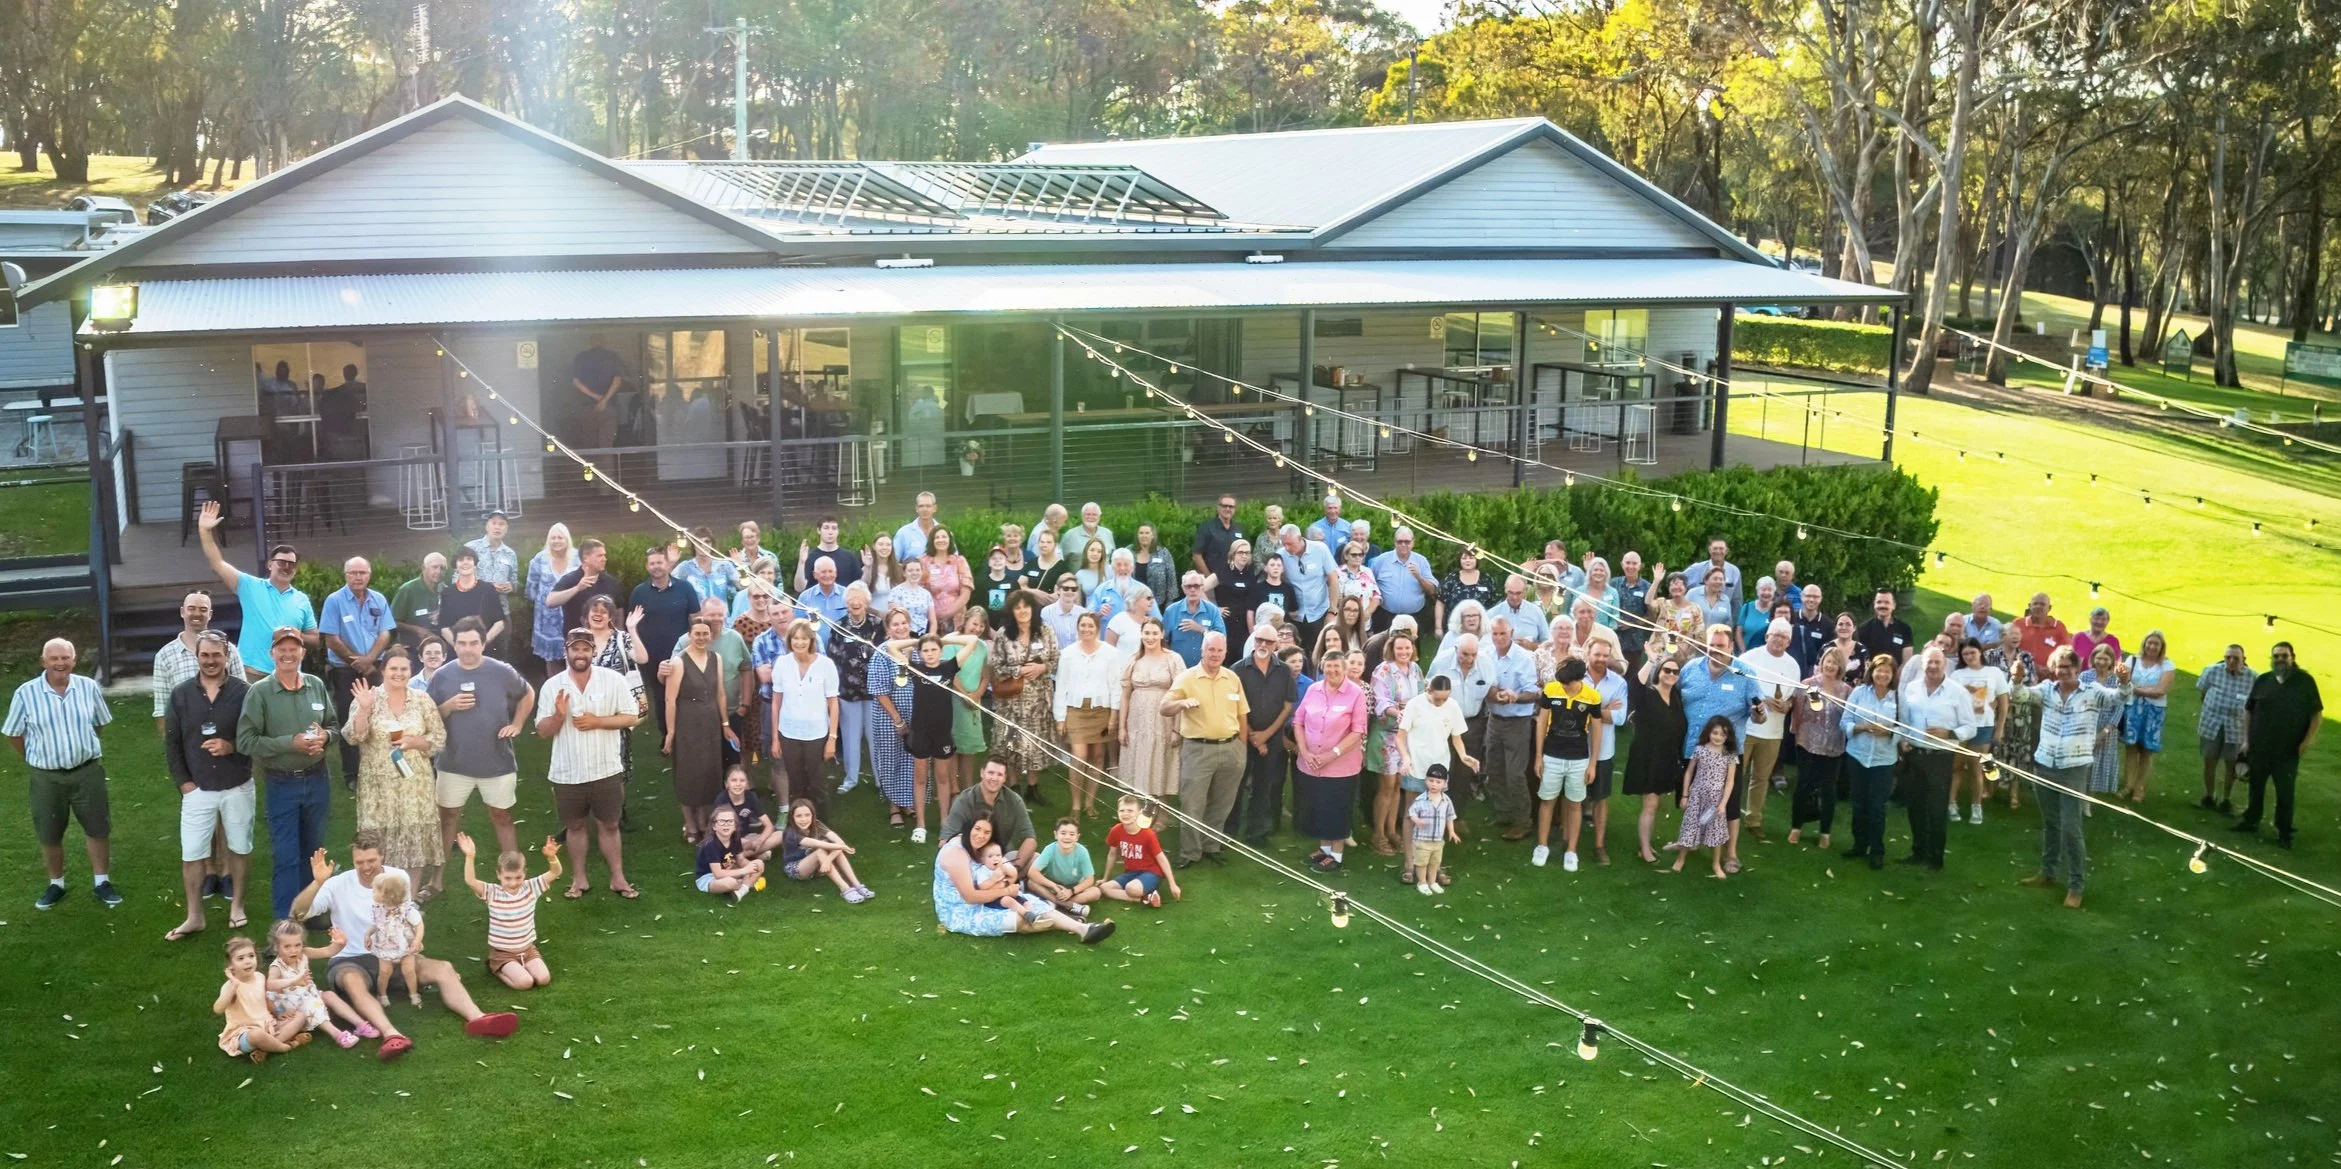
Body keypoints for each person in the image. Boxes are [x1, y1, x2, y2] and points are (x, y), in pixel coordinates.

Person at [290, 834, 517, 1059]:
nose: (366, 867)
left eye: (371, 861)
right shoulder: (337, 884)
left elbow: (404, 916)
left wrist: (415, 946)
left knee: (444, 968)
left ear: (382, 856)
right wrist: (318, 882)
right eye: (359, 862)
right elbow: (297, 913)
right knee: (352, 981)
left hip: (395, 954)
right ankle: (391, 1034)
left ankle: (478, 1018)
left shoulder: (399, 877)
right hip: (350, 958)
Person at [230, 627, 338, 919]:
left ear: (303, 652)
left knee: (314, 851)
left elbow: (333, 726)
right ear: (272, 653)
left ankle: (310, 912)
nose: (288, 654)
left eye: (294, 649)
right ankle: (285, 922)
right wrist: (290, 743)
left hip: (317, 779)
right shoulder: (260, 692)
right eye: (282, 649)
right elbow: (246, 741)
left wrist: (325, 738)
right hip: (282, 784)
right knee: (287, 854)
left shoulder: (315, 685)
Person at [2017, 646, 2126, 908]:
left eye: (2067, 666)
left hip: (2074, 767)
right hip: (2045, 763)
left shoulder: (2092, 692)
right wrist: (2016, 678)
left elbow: (2119, 697)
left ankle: (2076, 886)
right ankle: (2047, 872)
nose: (2063, 671)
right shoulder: (2046, 690)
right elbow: (2019, 695)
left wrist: (2124, 682)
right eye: (2059, 667)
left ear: (2077, 668)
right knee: (2050, 823)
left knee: (2071, 827)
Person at [534, 628, 640, 899]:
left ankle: (618, 878)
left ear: (594, 651)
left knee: (610, 825)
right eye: (575, 648)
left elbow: (631, 716)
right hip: (567, 772)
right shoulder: (552, 686)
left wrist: (598, 722)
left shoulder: (613, 680)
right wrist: (559, 717)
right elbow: (543, 732)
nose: (580, 654)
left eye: (585, 649)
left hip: (606, 769)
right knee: (575, 826)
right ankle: (579, 879)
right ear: (566, 651)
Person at [164, 632, 254, 939]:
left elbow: (255, 736)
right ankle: (194, 916)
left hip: (237, 783)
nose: (211, 660)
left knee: (239, 847)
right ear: (197, 656)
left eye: (217, 655)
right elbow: (172, 744)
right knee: (192, 853)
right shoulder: (181, 694)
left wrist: (232, 747)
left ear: (226, 656)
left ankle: (237, 905)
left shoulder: (244, 692)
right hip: (197, 787)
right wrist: (184, 783)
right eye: (205, 655)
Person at [343, 651, 446, 898]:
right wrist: (364, 709)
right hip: (378, 787)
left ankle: (407, 902)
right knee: (377, 841)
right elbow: (353, 736)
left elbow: (439, 738)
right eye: (393, 668)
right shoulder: (368, 697)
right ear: (383, 670)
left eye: (404, 669)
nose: (399, 674)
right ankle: (378, 899)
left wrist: (415, 742)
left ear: (410, 672)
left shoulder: (422, 700)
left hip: (415, 785)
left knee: (413, 842)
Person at [427, 619, 532, 861]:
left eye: (473, 643)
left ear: (483, 644)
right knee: (447, 819)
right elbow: (426, 717)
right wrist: (448, 706)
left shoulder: (501, 671)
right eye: (462, 643)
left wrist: (517, 724)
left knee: (502, 816)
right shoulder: (442, 676)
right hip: (453, 762)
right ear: (454, 645)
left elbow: (527, 693)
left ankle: (513, 872)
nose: (468, 649)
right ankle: (437, 878)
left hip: (497, 761)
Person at [933, 812, 1113, 941]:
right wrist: (1006, 890)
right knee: (1020, 918)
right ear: (968, 827)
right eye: (977, 829)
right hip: (961, 910)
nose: (981, 836)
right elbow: (970, 897)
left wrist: (1008, 881)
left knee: (1031, 904)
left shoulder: (983, 847)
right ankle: (1067, 922)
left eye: (987, 832)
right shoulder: (955, 854)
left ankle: (1083, 929)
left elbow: (1010, 871)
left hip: (991, 896)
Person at [1160, 632, 1250, 868]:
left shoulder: (1232, 678)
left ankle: (1211, 846)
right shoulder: (1187, 678)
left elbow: (1242, 715)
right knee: (1192, 802)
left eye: (1220, 650)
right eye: (1211, 649)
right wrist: (1181, 703)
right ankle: (1190, 852)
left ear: (1226, 652)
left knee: (1223, 802)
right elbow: (1164, 707)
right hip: (1198, 750)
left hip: (1231, 749)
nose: (1215, 654)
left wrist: (1241, 747)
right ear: (1202, 651)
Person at [194, 501, 315, 677]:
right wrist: (205, 532)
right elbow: (217, 564)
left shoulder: (301, 599)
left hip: (288, 677)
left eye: (291, 564)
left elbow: (314, 639)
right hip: (252, 674)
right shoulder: (249, 586)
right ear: (270, 564)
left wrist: (296, 635)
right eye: (281, 562)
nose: (286, 567)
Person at [1675, 623, 1751, 872]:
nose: (1716, 650)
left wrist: (1760, 713)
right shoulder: (1690, 668)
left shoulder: (1745, 673)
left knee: (1729, 805)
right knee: (1694, 799)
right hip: (1692, 748)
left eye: (1721, 646)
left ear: (1731, 646)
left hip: (1726, 755)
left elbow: (1758, 713)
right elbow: (1674, 695)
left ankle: (1730, 854)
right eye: (1712, 645)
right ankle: (1692, 841)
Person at [2235, 642, 2322, 848]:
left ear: (2292, 657)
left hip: (2288, 750)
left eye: (2284, 656)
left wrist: (2306, 742)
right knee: (2256, 786)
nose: (2280, 660)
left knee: (2285, 792)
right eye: (2276, 656)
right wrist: (2246, 740)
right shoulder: (2263, 680)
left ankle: (2284, 832)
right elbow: (2249, 710)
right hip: (2260, 747)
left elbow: (2316, 715)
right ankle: (2251, 820)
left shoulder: (2305, 682)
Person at [1899, 647, 1979, 871]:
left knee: (1936, 809)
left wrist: (1950, 733)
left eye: (1937, 662)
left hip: (1940, 757)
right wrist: (1903, 740)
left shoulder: (1957, 692)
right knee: (1915, 807)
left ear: (1945, 665)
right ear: (1922, 664)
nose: (1933, 666)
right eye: (1929, 662)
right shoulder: (1912, 688)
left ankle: (1935, 858)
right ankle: (1918, 851)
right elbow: (1905, 720)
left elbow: (1971, 727)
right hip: (1915, 755)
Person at [1291, 647, 1367, 872]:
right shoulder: (1313, 689)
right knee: (1319, 807)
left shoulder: (1356, 693)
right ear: (1322, 667)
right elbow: (1298, 721)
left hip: (1341, 766)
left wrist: (1332, 754)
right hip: (1311, 763)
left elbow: (1358, 731)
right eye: (1328, 666)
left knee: (1337, 809)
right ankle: (1324, 849)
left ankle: (1336, 855)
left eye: (1337, 667)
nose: (1332, 670)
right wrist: (1304, 751)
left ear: (1344, 669)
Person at [1394, 675, 1473, 880]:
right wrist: (1406, 758)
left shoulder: (1452, 706)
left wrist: (1464, 756)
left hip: (1439, 768)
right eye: (1437, 698)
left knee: (1437, 816)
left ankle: (1434, 866)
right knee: (1411, 814)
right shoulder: (1414, 705)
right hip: (1416, 767)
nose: (1441, 702)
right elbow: (1400, 737)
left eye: (1444, 698)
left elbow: (1456, 737)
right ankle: (1409, 863)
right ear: (1428, 690)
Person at [665, 615, 736, 844]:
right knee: (688, 772)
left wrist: (725, 724)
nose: (702, 637)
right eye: (697, 633)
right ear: (689, 635)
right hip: (687, 721)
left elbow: (720, 694)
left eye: (705, 633)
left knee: (709, 771)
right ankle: (690, 823)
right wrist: (671, 732)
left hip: (710, 722)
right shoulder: (679, 662)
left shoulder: (716, 659)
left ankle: (704, 820)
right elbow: (670, 700)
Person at [902, 631, 979, 839]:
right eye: (925, 650)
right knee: (920, 778)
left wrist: (942, 639)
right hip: (920, 732)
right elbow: (891, 647)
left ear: (941, 651)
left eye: (934, 649)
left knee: (943, 778)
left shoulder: (949, 667)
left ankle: (945, 820)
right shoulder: (915, 669)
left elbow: (972, 641)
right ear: (920, 653)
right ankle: (920, 824)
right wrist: (918, 641)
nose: (930, 653)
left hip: (942, 732)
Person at [1530, 656, 1602, 872]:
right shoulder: (1551, 690)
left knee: (1575, 804)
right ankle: (1542, 846)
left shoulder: (1592, 696)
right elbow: (1542, 722)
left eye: (1567, 683)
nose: (1563, 686)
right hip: (1551, 755)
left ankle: (1571, 851)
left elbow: (1597, 731)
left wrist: (1593, 764)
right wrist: (1539, 756)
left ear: (1579, 679)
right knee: (1547, 801)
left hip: (1579, 759)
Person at [991, 590, 1060, 805]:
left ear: (1033, 608)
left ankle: (1032, 787)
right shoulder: (1003, 634)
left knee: (1034, 743)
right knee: (1011, 742)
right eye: (1017, 607)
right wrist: (1018, 671)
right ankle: (1013, 786)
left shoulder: (1045, 631)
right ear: (1012, 611)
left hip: (1039, 700)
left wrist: (1041, 668)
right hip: (1012, 700)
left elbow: (1056, 659)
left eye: (1026, 606)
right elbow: (996, 666)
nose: (1023, 611)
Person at [1735, 618, 1801, 844]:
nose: (1779, 640)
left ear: (1789, 641)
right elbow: (1736, 685)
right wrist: (1762, 699)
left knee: (1761, 778)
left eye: (1784, 637)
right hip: (1746, 727)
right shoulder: (1749, 658)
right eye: (1776, 635)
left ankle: (1753, 820)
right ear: (1767, 636)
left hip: (1773, 732)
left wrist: (1787, 705)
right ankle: (1726, 816)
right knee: (1735, 775)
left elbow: (1793, 695)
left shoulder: (1792, 665)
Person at [767, 619, 841, 817]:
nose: (799, 643)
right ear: (789, 640)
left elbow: (833, 703)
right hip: (788, 733)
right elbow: (776, 703)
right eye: (795, 638)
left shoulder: (825, 665)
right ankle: (797, 828)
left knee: (818, 785)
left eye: (804, 638)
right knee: (796, 785)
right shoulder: (782, 664)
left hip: (817, 735)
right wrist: (775, 738)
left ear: (811, 640)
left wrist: (832, 738)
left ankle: (822, 826)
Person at [623, 545, 697, 740]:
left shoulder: (685, 588)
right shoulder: (639, 592)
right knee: (661, 696)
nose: (656, 566)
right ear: (647, 566)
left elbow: (695, 618)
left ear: (667, 563)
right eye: (652, 563)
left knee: (685, 693)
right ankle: (667, 736)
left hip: (682, 653)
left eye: (660, 562)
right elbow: (632, 623)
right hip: (653, 654)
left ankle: (687, 735)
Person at [1231, 632, 1298, 843]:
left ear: (1275, 644)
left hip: (1272, 739)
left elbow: (1288, 706)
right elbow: (1234, 706)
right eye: (1260, 640)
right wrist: (1253, 736)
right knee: (1236, 785)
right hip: (1242, 737)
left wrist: (1266, 735)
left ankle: (1257, 833)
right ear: (1254, 641)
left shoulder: (1284, 671)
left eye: (1268, 641)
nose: (1263, 644)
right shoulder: (1238, 669)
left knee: (1264, 785)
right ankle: (1229, 832)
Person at [1624, 643, 1688, 864]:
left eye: (1675, 672)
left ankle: (1647, 843)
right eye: (1667, 670)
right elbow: (1635, 685)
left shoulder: (1677, 697)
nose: (1671, 674)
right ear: (1659, 672)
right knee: (1650, 804)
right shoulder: (1648, 696)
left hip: (1667, 757)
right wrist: (1651, 660)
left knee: (1657, 804)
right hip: (1648, 757)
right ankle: (1644, 849)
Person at [1838, 655, 1901, 870]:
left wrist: (1889, 732)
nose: (1882, 674)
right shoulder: (1859, 693)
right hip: (1857, 756)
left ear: (1893, 675)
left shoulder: (1898, 697)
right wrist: (1862, 728)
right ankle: (1859, 844)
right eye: (1878, 670)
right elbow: (1845, 722)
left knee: (1876, 807)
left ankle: (1876, 850)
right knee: (1858, 804)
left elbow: (1905, 728)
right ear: (1871, 672)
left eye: (1887, 671)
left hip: (1883, 761)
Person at [1786, 644, 1851, 852]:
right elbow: (1797, 711)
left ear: (1840, 667)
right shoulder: (1809, 685)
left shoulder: (1846, 691)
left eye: (1835, 663)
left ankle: (1825, 832)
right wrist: (1796, 734)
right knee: (1803, 786)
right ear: (1822, 663)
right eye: (1828, 661)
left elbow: (1848, 718)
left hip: (1833, 746)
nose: (1830, 666)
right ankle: (1796, 827)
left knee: (1829, 790)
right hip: (1808, 743)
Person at [1367, 631, 1426, 856]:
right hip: (1386, 733)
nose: (1404, 652)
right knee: (1387, 785)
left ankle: (1392, 831)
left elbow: (1422, 695)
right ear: (1392, 649)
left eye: (1407, 648)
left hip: (1407, 734)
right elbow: (1381, 701)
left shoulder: (1416, 669)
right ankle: (1378, 834)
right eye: (1399, 648)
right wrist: (1398, 713)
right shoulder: (1383, 670)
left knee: (1400, 783)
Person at [822, 582, 884, 794]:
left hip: (874, 691)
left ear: (866, 601)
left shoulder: (877, 624)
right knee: (850, 736)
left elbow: (884, 653)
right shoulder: (838, 626)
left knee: (875, 736)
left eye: (859, 598)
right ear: (846, 603)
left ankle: (880, 779)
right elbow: (832, 659)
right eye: (851, 599)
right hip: (848, 692)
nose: (855, 603)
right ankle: (851, 778)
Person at [265, 918, 365, 1049]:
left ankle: (360, 1024)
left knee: (329, 995)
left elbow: (327, 951)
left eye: (297, 945)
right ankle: (338, 1035)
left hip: (309, 994)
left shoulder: (303, 953)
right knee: (311, 1005)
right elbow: (270, 984)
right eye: (287, 946)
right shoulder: (277, 967)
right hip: (291, 1005)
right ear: (276, 947)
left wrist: (340, 943)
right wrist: (293, 982)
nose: (293, 950)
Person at [868, 609, 925, 836]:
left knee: (911, 760)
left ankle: (908, 802)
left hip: (916, 714)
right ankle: (894, 806)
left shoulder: (919, 650)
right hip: (888, 715)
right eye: (895, 624)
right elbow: (879, 690)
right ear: (888, 628)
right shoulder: (882, 652)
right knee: (891, 758)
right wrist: (898, 720)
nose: (901, 627)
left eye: (904, 623)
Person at [216, 936, 310, 1063]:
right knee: (257, 1035)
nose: (248, 961)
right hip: (245, 1033)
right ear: (230, 966)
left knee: (300, 1016)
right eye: (240, 958)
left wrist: (278, 1012)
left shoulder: (259, 977)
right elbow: (218, 1008)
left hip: (267, 1024)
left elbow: (266, 999)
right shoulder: (230, 986)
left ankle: (266, 1049)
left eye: (251, 956)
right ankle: (286, 1047)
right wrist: (233, 987)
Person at [1947, 637, 2009, 824]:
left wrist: (1999, 728)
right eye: (1965, 654)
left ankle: (1977, 806)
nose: (1969, 657)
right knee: (1956, 766)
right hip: (1960, 726)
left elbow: (2004, 702)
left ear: (1980, 652)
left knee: (1977, 767)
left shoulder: (1994, 672)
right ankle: (1951, 803)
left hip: (1983, 726)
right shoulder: (1957, 675)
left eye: (1972, 652)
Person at [1670, 716, 1738, 878]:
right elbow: (1689, 772)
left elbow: (1730, 781)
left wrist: (1723, 804)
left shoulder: (1730, 755)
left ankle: (1716, 864)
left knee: (1715, 830)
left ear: (1728, 737)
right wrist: (1685, 795)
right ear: (1708, 732)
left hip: (1715, 801)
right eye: (1715, 733)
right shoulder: (1700, 750)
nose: (1718, 737)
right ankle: (1681, 858)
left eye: (1722, 734)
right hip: (1696, 797)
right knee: (1690, 826)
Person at [2196, 644, 2255, 813]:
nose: (2231, 661)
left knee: (2231, 764)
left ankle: (2226, 799)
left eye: (2236, 658)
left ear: (2244, 659)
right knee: (2209, 761)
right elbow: (2203, 693)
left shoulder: (2253, 678)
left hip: (2236, 728)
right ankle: (2209, 796)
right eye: (2228, 657)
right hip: (2211, 724)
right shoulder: (2211, 671)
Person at [2117, 630, 2173, 804]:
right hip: (2133, 708)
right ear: (2144, 643)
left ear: (2161, 647)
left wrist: (2136, 689)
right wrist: (2146, 690)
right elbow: (2124, 683)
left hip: (2154, 712)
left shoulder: (2167, 665)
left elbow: (2160, 691)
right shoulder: (2132, 660)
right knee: (2131, 747)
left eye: (2156, 644)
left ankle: (2139, 787)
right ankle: (2128, 785)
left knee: (2146, 750)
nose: (2152, 646)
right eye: (2150, 642)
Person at [780, 799, 873, 902]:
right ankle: (844, 888)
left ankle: (857, 885)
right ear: (792, 817)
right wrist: (840, 847)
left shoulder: (816, 824)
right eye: (798, 816)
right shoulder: (790, 833)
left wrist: (828, 860)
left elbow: (839, 842)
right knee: (823, 849)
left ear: (813, 815)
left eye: (807, 815)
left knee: (834, 848)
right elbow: (817, 844)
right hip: (796, 869)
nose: (804, 819)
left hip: (820, 866)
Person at [1100, 794, 1183, 907]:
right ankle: (1146, 898)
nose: (1125, 814)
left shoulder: (1148, 834)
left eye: (1130, 811)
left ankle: (1143, 892)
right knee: (1104, 888)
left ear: (1139, 812)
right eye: (1122, 810)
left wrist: (1172, 884)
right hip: (1131, 873)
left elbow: (1161, 858)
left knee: (1131, 888)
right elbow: (1112, 854)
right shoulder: (1116, 830)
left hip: (1151, 872)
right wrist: (1105, 878)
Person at [547, 537, 628, 651]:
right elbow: (550, 601)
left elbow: (619, 612)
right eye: (599, 556)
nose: (604, 559)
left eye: (604, 555)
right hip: (577, 646)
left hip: (607, 647)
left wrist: (620, 638)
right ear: (586, 558)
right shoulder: (570, 580)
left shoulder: (611, 582)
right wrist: (577, 588)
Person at [363, 870, 425, 1007]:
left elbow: (419, 925)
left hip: (406, 945)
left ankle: (413, 993)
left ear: (388, 895)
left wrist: (417, 940)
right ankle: (382, 994)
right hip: (385, 945)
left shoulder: (407, 911)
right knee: (385, 972)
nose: (372, 893)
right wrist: (368, 934)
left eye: (375, 890)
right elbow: (377, 924)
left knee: (409, 971)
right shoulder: (378, 908)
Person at [525, 524, 578, 678]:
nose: (556, 541)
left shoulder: (577, 557)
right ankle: (553, 688)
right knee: (551, 662)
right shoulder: (540, 559)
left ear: (567, 539)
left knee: (574, 656)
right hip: (547, 620)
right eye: (553, 538)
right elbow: (531, 587)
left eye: (560, 537)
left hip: (572, 616)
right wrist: (543, 602)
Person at [2077, 644, 2127, 799]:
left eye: (2106, 659)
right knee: (2082, 764)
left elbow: (2119, 707)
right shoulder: (2085, 676)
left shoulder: (2116, 680)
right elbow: (2078, 699)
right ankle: (2079, 796)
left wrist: (2105, 732)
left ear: (2112, 660)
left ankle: (2088, 800)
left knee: (2097, 765)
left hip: (2107, 728)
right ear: (2093, 659)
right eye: (2099, 658)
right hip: (2086, 725)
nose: (2102, 662)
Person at [1026, 817, 1104, 913]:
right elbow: (1032, 872)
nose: (1067, 837)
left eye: (1072, 834)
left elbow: (1090, 879)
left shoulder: (1082, 852)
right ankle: (1067, 905)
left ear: (1077, 837)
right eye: (1063, 833)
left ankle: (1056, 903)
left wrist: (1071, 891)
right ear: (1056, 835)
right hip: (1053, 886)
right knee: (1031, 882)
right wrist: (1053, 886)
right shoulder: (1050, 849)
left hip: (1073, 888)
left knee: (1096, 892)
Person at [437, 547, 507, 652]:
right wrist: (459, 647)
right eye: (461, 560)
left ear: (475, 564)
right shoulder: (447, 593)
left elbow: (499, 623)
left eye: (469, 559)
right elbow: (444, 628)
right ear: (455, 566)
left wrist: (482, 644)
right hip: (458, 652)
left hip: (486, 650)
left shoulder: (488, 589)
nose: (465, 562)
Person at [1998, 653, 2043, 811]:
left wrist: (2018, 680)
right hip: (2002, 717)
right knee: (1999, 752)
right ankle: (1990, 789)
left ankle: (2014, 794)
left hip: (2022, 720)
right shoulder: (1995, 657)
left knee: (2017, 755)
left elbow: (2030, 689)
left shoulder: (2026, 658)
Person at [695, 806, 766, 902]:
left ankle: (741, 891)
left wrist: (752, 868)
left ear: (735, 826)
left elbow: (741, 859)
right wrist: (745, 871)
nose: (726, 824)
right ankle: (746, 884)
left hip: (729, 870)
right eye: (721, 821)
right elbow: (718, 874)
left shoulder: (735, 839)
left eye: (730, 821)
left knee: (759, 864)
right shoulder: (710, 845)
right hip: (709, 877)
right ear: (714, 826)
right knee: (730, 883)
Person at [464, 510, 522, 608]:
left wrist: (511, 586)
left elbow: (514, 582)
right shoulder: (470, 548)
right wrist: (490, 587)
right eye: (494, 523)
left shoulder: (510, 554)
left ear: (506, 529)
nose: (497, 527)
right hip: (474, 609)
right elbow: (458, 579)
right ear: (487, 526)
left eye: (501, 524)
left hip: (501, 609)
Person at [675, 525, 740, 611]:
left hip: (722, 617)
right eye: (699, 543)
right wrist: (670, 563)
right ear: (693, 545)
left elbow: (743, 587)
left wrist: (740, 567)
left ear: (712, 544)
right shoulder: (685, 567)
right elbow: (668, 587)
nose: (703, 546)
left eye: (707, 542)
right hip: (697, 617)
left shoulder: (724, 566)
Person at [389, 554, 444, 655]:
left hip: (438, 650)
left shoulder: (445, 590)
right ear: (423, 568)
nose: (439, 571)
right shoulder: (408, 589)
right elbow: (391, 622)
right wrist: (416, 630)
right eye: (435, 567)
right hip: (412, 649)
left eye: (442, 568)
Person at [795, 516, 862, 591]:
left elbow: (860, 585)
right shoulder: (808, 557)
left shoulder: (850, 557)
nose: (830, 532)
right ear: (818, 530)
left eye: (834, 528)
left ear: (838, 531)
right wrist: (801, 562)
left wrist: (868, 568)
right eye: (826, 528)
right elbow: (799, 588)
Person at [1854, 589, 1913, 666]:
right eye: (1879, 602)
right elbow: (1863, 660)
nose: (1882, 605)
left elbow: (1907, 660)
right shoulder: (1864, 629)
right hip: (1873, 672)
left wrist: (1897, 673)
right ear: (1874, 604)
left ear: (1894, 605)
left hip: (1898, 672)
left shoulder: (1905, 629)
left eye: (1887, 602)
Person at [1193, 494, 1244, 579]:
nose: (1228, 509)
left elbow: (1246, 554)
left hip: (1235, 579)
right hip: (1213, 580)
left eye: (1231, 506)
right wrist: (1209, 578)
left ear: (1235, 509)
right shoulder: (1206, 528)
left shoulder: (1240, 529)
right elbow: (1196, 555)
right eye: (1224, 506)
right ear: (1218, 507)